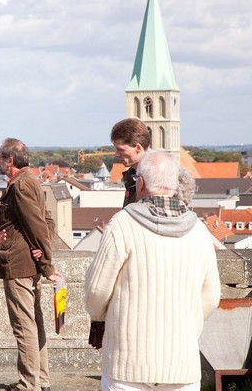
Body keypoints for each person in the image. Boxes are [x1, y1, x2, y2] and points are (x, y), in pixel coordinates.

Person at [84, 151, 221, 391]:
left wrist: (102, 317)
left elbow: (97, 291)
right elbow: (211, 297)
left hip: (127, 365)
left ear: (141, 183)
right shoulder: (199, 230)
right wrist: (186, 326)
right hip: (182, 364)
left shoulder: (123, 224)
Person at [0, 138, 62, 391]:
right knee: (34, 323)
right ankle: (40, 381)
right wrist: (40, 254)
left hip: (19, 265)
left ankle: (28, 384)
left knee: (24, 327)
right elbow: (47, 223)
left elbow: (38, 226)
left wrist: (46, 263)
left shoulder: (20, 186)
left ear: (9, 161)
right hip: (27, 263)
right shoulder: (31, 180)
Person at [110, 118, 151, 207]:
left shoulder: (154, 180)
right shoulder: (132, 177)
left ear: (138, 148)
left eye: (120, 149)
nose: (116, 154)